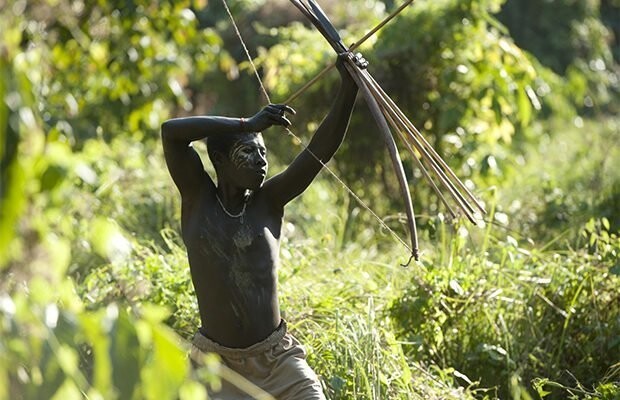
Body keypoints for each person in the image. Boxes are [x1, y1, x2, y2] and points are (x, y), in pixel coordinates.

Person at [161, 52, 366, 399]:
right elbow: (171, 132)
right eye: (250, 151)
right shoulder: (198, 202)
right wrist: (246, 124)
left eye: (264, 154)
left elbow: (320, 149)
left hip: (277, 362)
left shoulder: (268, 204)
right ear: (219, 160)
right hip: (215, 367)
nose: (261, 161)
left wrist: (349, 87)